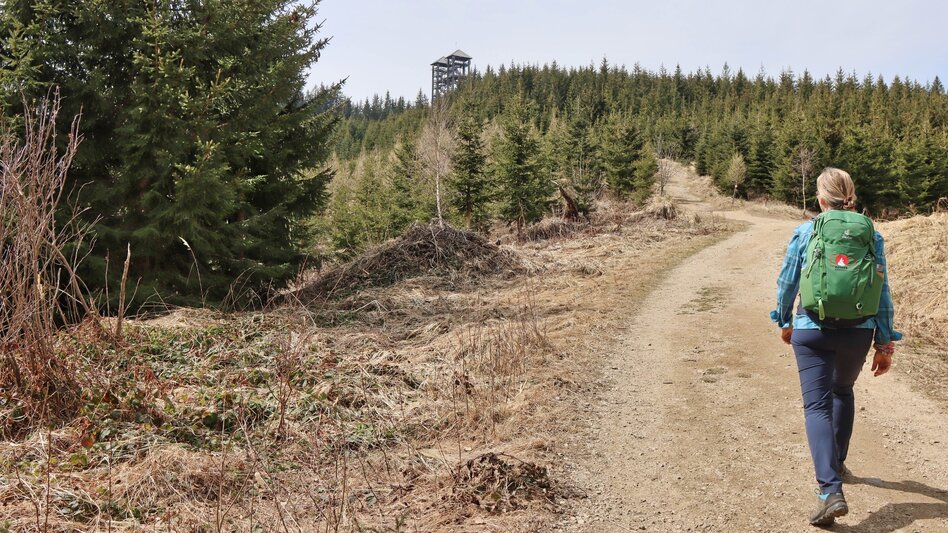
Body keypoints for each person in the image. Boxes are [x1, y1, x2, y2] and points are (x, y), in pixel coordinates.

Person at [771, 167, 902, 526]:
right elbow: (883, 290)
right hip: (858, 332)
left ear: (820, 198)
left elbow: (787, 281)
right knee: (842, 391)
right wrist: (885, 342)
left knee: (817, 407)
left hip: (811, 329)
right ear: (851, 196)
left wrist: (784, 320)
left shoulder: (806, 230)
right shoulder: (871, 234)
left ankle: (830, 490)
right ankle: (838, 462)